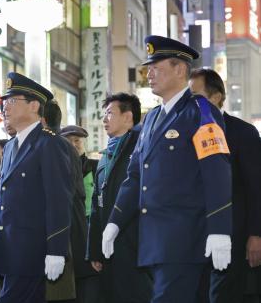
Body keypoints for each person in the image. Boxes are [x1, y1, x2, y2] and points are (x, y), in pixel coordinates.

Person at [102, 35, 233, 302]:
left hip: (185, 238)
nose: (149, 74)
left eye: (156, 67)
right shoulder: (151, 119)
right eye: (148, 68)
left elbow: (217, 172)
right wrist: (115, 221)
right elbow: (135, 176)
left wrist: (220, 228)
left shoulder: (201, 111)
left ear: (180, 69)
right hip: (154, 240)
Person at [0, 72, 72, 303]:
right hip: (9, 250)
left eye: (12, 101)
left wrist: (57, 249)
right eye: (4, 102)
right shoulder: (12, 146)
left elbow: (58, 200)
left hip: (33, 250)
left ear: (34, 105)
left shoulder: (50, 144)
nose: (5, 107)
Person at [189, 68, 261, 303]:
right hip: (193, 239)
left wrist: (256, 234)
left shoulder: (243, 132)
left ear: (216, 97)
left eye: (195, 96)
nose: (190, 103)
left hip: (234, 237)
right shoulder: (185, 131)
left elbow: (256, 188)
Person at [87, 93, 153, 302]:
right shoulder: (106, 155)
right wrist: (94, 249)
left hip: (134, 242)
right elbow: (96, 205)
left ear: (128, 117)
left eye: (110, 114)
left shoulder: (142, 148)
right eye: (104, 114)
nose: (105, 119)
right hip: (109, 247)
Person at [43, 100, 98, 303]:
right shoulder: (54, 149)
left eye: (78, 140)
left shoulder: (94, 165)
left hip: (78, 231)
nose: (74, 144)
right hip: (68, 231)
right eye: (71, 139)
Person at [60, 125, 98, 221]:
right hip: (68, 221)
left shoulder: (96, 166)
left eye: (77, 140)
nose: (73, 145)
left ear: (84, 143)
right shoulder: (58, 169)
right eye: (68, 141)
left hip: (92, 220)